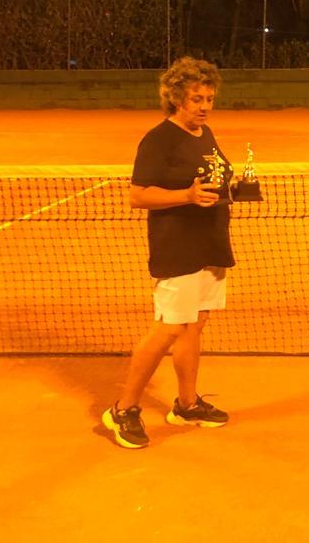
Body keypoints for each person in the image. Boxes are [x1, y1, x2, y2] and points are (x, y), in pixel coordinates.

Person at [102, 57, 236, 449]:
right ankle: (123, 409)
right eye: (197, 99)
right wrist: (186, 196)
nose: (205, 106)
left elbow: (212, 179)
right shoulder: (159, 139)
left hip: (210, 243)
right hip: (178, 246)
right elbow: (138, 195)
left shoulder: (204, 133)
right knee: (169, 328)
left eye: (209, 98)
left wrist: (234, 188)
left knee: (195, 324)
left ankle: (187, 404)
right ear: (177, 98)